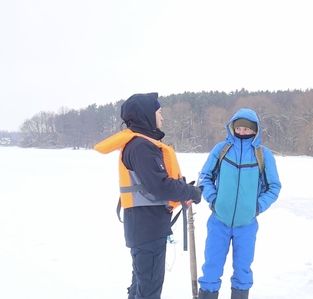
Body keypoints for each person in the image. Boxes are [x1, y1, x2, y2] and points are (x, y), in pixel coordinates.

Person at [94, 92, 203, 299]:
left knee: (141, 284)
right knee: (149, 289)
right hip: (148, 229)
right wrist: (192, 192)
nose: (162, 118)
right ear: (146, 115)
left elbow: (154, 184)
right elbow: (160, 186)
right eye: (159, 112)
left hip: (145, 226)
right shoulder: (142, 146)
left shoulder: (139, 144)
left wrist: (183, 189)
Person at [197, 108, 282, 299]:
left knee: (243, 270)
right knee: (211, 267)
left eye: (247, 129)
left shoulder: (263, 154)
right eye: (239, 128)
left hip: (247, 225)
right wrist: (214, 199)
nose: (242, 132)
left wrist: (257, 207)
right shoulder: (221, 149)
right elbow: (204, 177)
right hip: (219, 221)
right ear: (232, 127)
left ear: (255, 130)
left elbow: (274, 186)